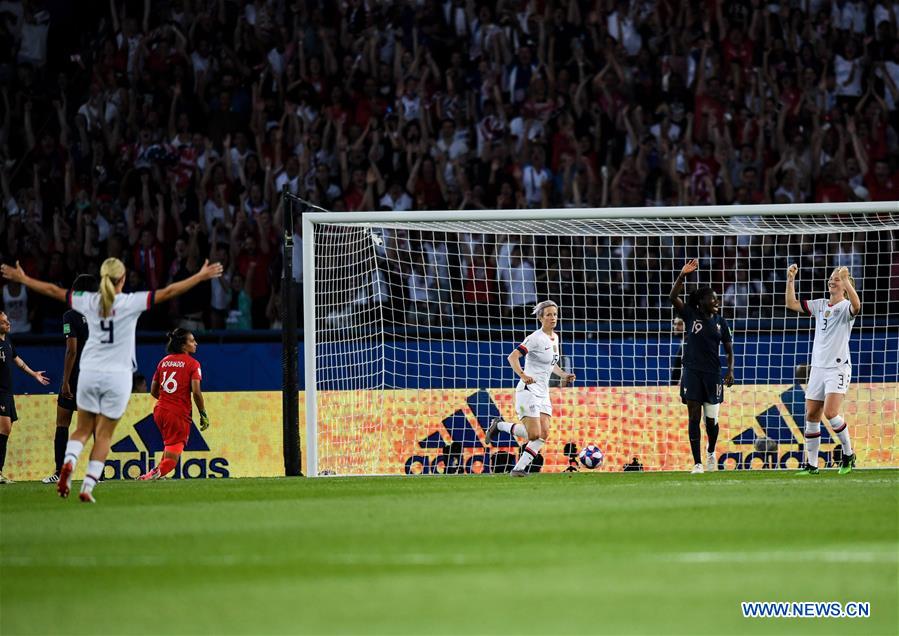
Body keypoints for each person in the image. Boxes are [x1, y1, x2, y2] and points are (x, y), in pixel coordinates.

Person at [0, 257, 222, 502]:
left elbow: (53, 291)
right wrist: (201, 276)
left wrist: (23, 279)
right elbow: (169, 291)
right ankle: (88, 485)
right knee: (103, 434)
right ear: (123, 280)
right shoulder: (130, 301)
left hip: (88, 372)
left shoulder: (87, 303)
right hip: (117, 376)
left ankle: (66, 467)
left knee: (81, 429)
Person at [484, 300, 575, 476]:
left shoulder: (555, 337)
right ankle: (500, 425)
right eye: (548, 314)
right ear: (541, 317)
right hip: (528, 391)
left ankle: (518, 469)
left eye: (555, 314)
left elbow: (551, 365)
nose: (553, 317)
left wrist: (564, 375)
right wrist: (523, 375)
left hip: (543, 393)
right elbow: (512, 357)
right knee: (534, 434)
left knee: (543, 434)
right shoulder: (534, 338)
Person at [785, 264, 860, 475]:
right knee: (811, 415)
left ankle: (848, 453)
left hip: (837, 368)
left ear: (845, 285)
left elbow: (857, 305)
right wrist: (791, 279)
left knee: (831, 413)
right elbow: (791, 303)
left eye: (837, 278)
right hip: (817, 368)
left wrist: (846, 279)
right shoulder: (819, 305)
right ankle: (812, 465)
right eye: (832, 277)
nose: (832, 280)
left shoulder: (846, 307)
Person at [669, 259, 735, 474]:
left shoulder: (721, 322)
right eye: (713, 299)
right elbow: (672, 297)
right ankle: (697, 463)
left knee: (711, 421)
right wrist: (681, 276)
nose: (717, 302)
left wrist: (730, 370)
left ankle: (711, 451)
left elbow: (728, 348)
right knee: (694, 417)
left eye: (717, 299)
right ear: (702, 302)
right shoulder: (691, 315)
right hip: (691, 372)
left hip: (713, 375)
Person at [43, 275, 96, 485]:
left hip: (75, 378)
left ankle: (60, 471)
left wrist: (65, 381)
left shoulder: (70, 316)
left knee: (62, 424)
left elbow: (71, 350)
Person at [139, 328, 209, 480]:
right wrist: (202, 413)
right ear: (183, 346)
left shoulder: (163, 362)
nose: (195, 343)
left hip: (160, 410)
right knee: (173, 458)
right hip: (177, 413)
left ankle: (156, 473)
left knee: (169, 446)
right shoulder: (193, 364)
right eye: (192, 341)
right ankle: (150, 476)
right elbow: (196, 392)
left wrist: (167, 400)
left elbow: (153, 390)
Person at [0, 311, 51, 483]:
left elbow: (17, 360)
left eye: (7, 321)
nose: (9, 324)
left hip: (8, 392)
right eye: (4, 322)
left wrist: (34, 374)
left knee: (7, 429)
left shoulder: (7, 341)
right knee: (4, 429)